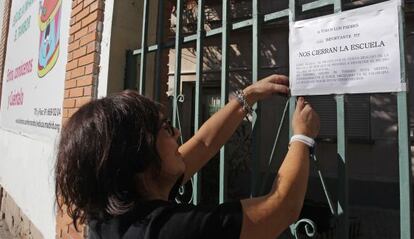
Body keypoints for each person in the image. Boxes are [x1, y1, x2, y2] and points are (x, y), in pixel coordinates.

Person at [55, 74, 320, 239]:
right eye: (166, 129)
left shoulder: (108, 214)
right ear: (137, 155)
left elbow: (204, 143)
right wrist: (302, 137)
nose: (179, 133)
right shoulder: (170, 230)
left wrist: (247, 96)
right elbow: (281, 207)